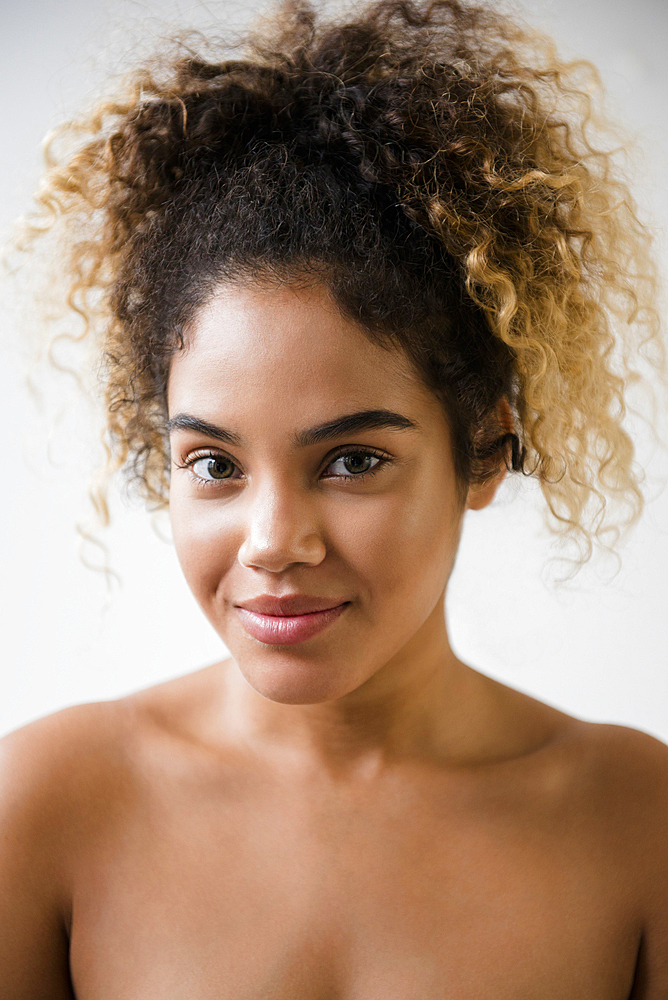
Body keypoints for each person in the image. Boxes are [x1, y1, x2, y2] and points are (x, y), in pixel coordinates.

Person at [1, 0, 667, 995]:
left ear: (485, 447)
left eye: (351, 459)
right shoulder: (43, 807)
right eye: (214, 464)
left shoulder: (637, 826)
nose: (272, 541)